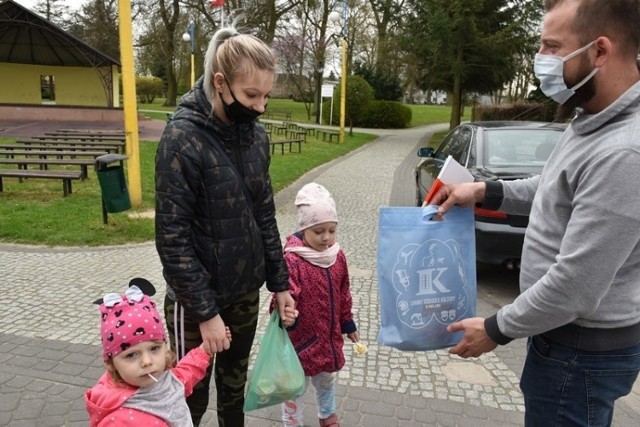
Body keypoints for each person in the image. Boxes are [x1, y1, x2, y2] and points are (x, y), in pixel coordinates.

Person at [431, 0, 640, 425]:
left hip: (578, 353)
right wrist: (484, 190)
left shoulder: (624, 151)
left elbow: (577, 286)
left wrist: (495, 328)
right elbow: (554, 188)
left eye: (551, 47)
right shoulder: (593, 116)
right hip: (561, 340)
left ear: (600, 51)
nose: (540, 61)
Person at [155, 24, 297, 426]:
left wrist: (280, 283)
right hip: (194, 303)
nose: (261, 106)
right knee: (189, 399)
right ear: (220, 83)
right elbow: (172, 238)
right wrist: (205, 313)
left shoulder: (257, 137)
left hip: (243, 295)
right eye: (252, 95)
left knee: (234, 395)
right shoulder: (181, 138)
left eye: (267, 95)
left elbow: (264, 214)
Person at [84, 279, 230, 426]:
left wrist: (205, 350)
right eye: (131, 355)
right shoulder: (118, 420)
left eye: (154, 348)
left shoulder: (166, 380)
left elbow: (185, 374)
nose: (147, 361)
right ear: (110, 365)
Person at [273, 182, 359, 427]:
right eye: (319, 231)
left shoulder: (337, 256)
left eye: (332, 230)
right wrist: (286, 316)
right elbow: (281, 299)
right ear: (304, 229)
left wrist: (348, 322)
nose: (327, 238)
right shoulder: (293, 260)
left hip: (327, 337)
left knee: (326, 380)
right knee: (294, 387)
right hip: (299, 339)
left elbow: (344, 292)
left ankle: (327, 415)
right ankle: (292, 422)